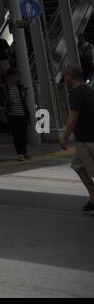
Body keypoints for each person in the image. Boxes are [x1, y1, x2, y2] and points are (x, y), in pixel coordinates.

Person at [57, 65, 94, 214]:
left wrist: (64, 137)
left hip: (87, 140)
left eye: (65, 76)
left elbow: (73, 117)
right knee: (78, 166)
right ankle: (93, 198)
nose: (64, 79)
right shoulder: (89, 90)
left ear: (71, 76)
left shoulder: (76, 93)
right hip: (84, 139)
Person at [0, 69, 32, 161]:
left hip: (22, 114)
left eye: (17, 76)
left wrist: (25, 95)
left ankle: (24, 151)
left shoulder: (20, 87)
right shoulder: (3, 88)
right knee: (16, 135)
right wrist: (5, 108)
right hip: (12, 115)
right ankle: (20, 153)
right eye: (15, 76)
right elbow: (0, 103)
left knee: (23, 134)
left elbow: (24, 100)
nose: (17, 78)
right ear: (9, 77)